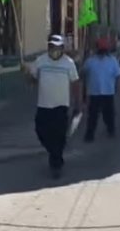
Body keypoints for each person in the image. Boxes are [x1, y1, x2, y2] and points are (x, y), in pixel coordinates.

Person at [25, 35, 81, 178]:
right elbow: (32, 81)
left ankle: (56, 163)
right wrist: (26, 74)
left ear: (62, 48)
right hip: (44, 105)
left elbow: (75, 83)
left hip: (61, 106)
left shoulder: (68, 63)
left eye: (57, 47)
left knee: (59, 136)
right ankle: (54, 153)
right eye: (52, 47)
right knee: (41, 131)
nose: (54, 50)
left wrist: (78, 102)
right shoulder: (41, 61)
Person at [81, 37, 120, 142]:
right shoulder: (90, 61)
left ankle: (110, 130)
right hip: (94, 92)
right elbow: (83, 73)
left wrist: (118, 87)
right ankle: (90, 134)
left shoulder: (112, 61)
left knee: (108, 114)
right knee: (93, 115)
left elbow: (119, 75)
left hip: (107, 91)